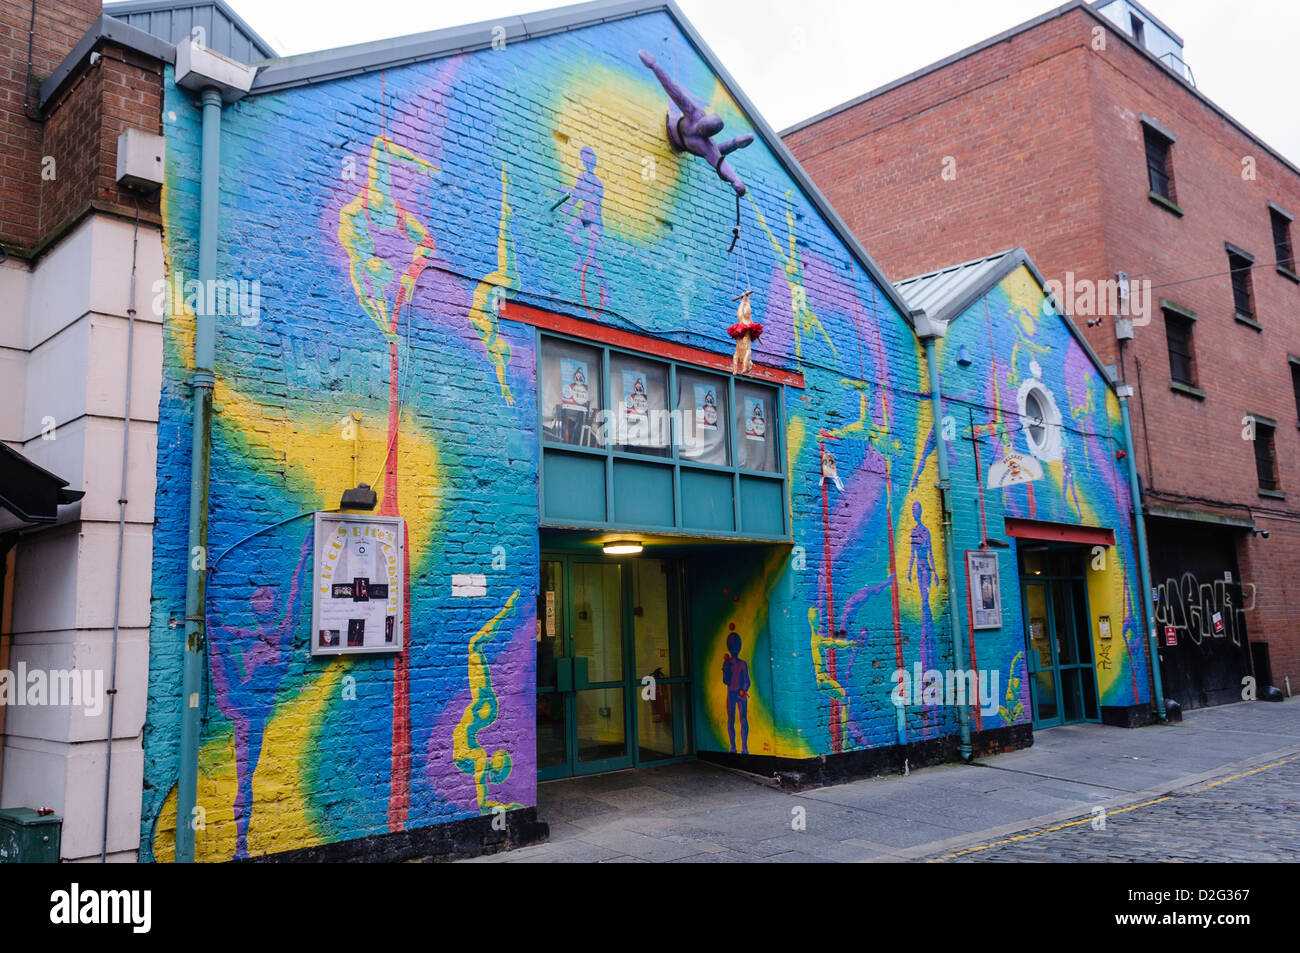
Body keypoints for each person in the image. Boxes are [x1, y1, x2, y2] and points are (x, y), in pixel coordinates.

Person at [206, 531, 312, 859]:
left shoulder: (282, 633)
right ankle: (241, 846)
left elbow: (296, 595)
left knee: (244, 776)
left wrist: (305, 556)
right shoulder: (250, 635)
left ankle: (241, 846)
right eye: (259, 597)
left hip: (251, 710)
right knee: (214, 634)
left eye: (268, 597)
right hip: (238, 699)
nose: (263, 600)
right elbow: (227, 633)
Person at [721, 628, 750, 755]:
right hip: (732, 693)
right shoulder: (728, 664)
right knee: (731, 719)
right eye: (732, 645)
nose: (734, 648)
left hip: (740, 692)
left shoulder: (743, 664)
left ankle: (744, 747)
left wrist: (743, 690)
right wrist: (726, 669)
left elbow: (747, 681)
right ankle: (733, 747)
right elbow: (725, 681)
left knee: (742, 719)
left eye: (735, 645)